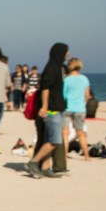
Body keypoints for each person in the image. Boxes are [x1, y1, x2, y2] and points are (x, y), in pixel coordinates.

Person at [24, 42, 70, 179]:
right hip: (51, 110)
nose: (68, 54)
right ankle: (33, 162)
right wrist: (44, 107)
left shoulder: (57, 67)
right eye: (67, 51)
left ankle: (45, 167)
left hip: (56, 109)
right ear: (60, 52)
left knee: (49, 140)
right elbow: (45, 89)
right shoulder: (52, 68)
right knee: (55, 141)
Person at [62, 57, 91, 160]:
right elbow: (87, 95)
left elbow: (63, 95)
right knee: (80, 133)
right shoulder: (84, 79)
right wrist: (83, 103)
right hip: (79, 108)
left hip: (67, 107)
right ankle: (87, 156)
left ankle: (64, 155)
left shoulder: (67, 79)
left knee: (65, 133)